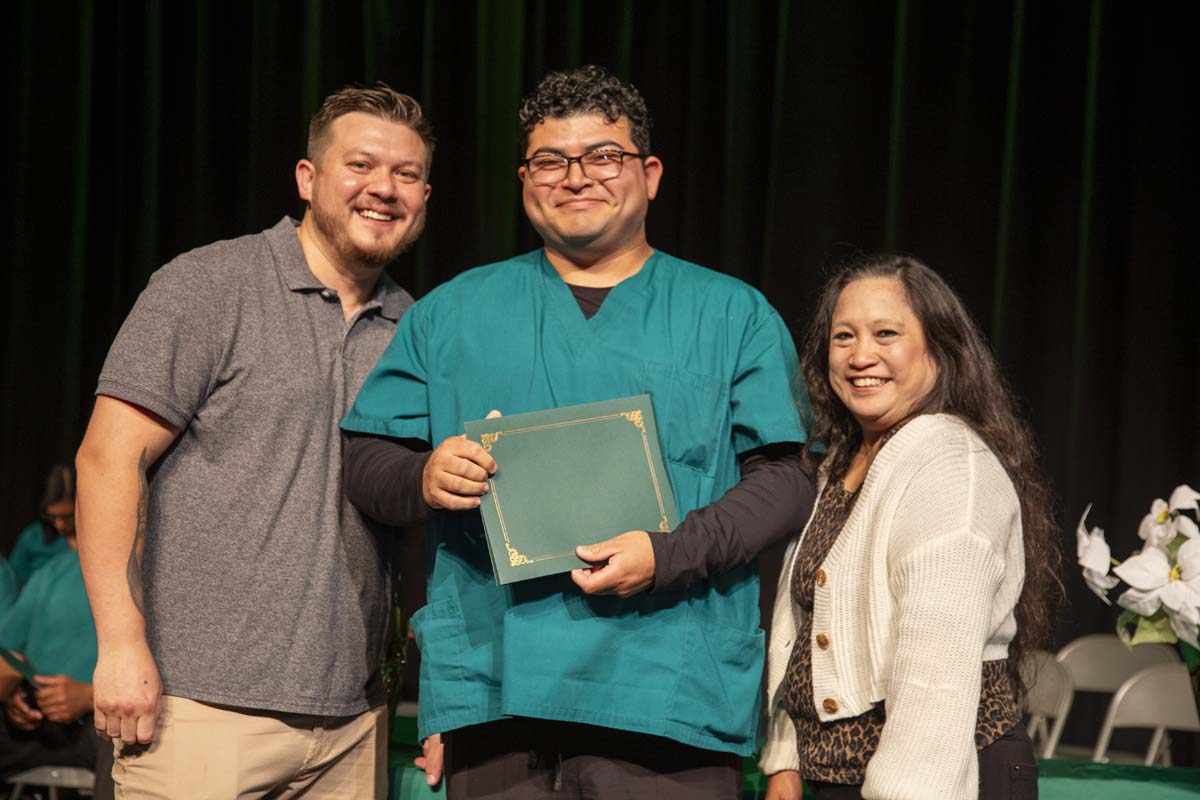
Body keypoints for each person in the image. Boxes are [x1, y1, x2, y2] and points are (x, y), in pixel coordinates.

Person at [341, 65, 813, 800]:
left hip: (666, 693)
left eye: (603, 156)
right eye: (550, 161)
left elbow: (785, 478)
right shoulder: (453, 313)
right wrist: (423, 478)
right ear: (525, 180)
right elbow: (369, 459)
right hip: (497, 691)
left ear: (649, 175)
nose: (576, 177)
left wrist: (667, 553)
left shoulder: (732, 315)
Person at [74, 84, 433, 797]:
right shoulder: (211, 285)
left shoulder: (416, 329)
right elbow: (107, 458)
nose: (384, 189)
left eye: (407, 174)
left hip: (352, 724)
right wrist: (119, 643)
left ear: (425, 195)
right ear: (308, 178)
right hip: (193, 710)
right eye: (360, 165)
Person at [759, 254, 1061, 800]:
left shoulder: (948, 464)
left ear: (938, 349)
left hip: (931, 780)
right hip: (836, 777)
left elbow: (936, 667)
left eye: (886, 334)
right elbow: (803, 625)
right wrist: (786, 757)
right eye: (844, 336)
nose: (861, 356)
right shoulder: (841, 463)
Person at [0, 483, 113, 799]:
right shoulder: (49, 573)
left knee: (126, 739)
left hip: (100, 726)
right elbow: (9, 654)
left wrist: (88, 696)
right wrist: (13, 698)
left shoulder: (136, 578)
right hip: (38, 725)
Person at [6, 463, 75, 588]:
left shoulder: (92, 540)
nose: (60, 524)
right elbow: (15, 582)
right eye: (53, 517)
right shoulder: (33, 537)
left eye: (68, 516)